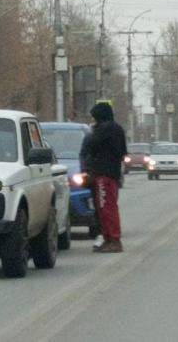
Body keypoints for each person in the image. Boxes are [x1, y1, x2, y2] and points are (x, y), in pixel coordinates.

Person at [80, 102, 127, 253]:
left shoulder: (104, 129)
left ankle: (113, 240)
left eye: (94, 117)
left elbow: (91, 146)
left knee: (106, 208)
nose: (93, 121)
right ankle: (109, 239)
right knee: (106, 207)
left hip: (103, 174)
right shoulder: (117, 128)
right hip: (112, 173)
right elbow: (123, 152)